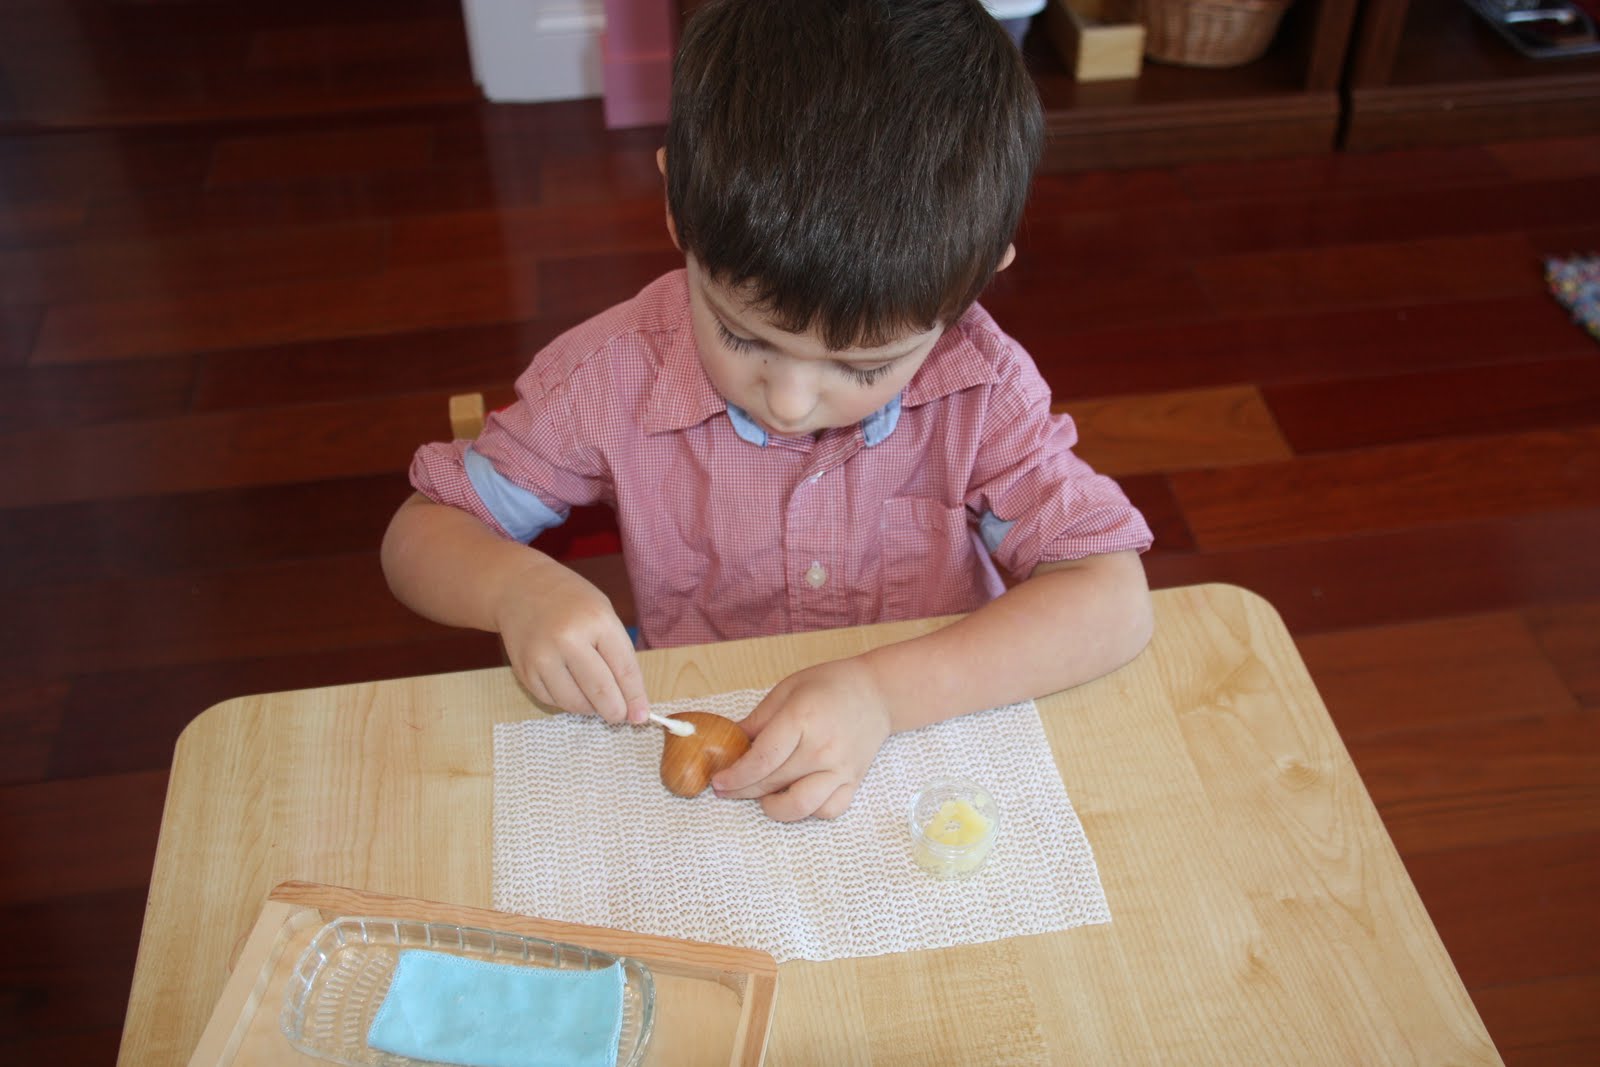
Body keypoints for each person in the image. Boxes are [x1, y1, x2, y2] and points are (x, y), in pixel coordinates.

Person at [381, 0, 1154, 822]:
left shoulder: (982, 393)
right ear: (676, 205)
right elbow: (418, 535)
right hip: (709, 755)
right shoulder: (607, 378)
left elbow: (1113, 599)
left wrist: (883, 694)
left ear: (975, 283)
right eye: (742, 335)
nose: (789, 400)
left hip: (924, 747)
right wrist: (515, 590)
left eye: (864, 366)